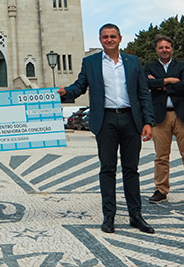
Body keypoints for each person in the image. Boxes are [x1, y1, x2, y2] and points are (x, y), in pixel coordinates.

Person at [58, 23, 155, 234]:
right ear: (100, 39)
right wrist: (65, 92)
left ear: (120, 38)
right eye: (105, 37)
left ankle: (135, 215)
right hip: (106, 121)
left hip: (131, 120)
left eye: (112, 36)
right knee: (107, 169)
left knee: (131, 170)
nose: (109, 39)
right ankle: (109, 216)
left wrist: (148, 122)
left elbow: (143, 94)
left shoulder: (133, 62)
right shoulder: (91, 62)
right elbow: (79, 87)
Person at [144, 35, 184, 208]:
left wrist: (160, 85)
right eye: (161, 47)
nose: (164, 50)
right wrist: (170, 81)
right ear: (156, 49)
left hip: (182, 115)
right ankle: (161, 190)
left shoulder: (182, 66)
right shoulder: (149, 67)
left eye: (167, 47)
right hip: (160, 116)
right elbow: (145, 85)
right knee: (161, 157)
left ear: (172, 49)